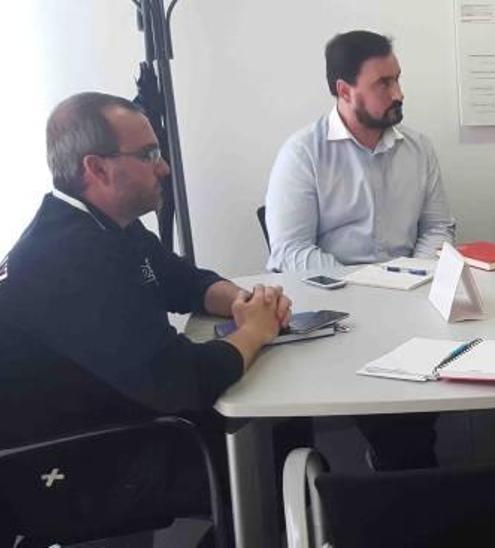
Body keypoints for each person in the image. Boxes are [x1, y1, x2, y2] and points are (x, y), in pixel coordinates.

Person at [0, 92, 290, 540]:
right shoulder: (67, 259)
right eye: (148, 154)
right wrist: (254, 333)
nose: (164, 167)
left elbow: (183, 280)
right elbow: (180, 381)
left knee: (274, 428)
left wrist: (243, 302)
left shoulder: (109, 225)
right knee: (264, 444)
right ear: (95, 168)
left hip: (115, 413)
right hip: (78, 457)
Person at [264, 30, 456, 272]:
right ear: (345, 91)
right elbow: (290, 250)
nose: (399, 94)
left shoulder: (419, 149)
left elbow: (437, 228)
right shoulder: (303, 154)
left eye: (397, 79)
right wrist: (363, 283)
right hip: (330, 294)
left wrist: (414, 274)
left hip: (410, 286)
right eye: (383, 84)